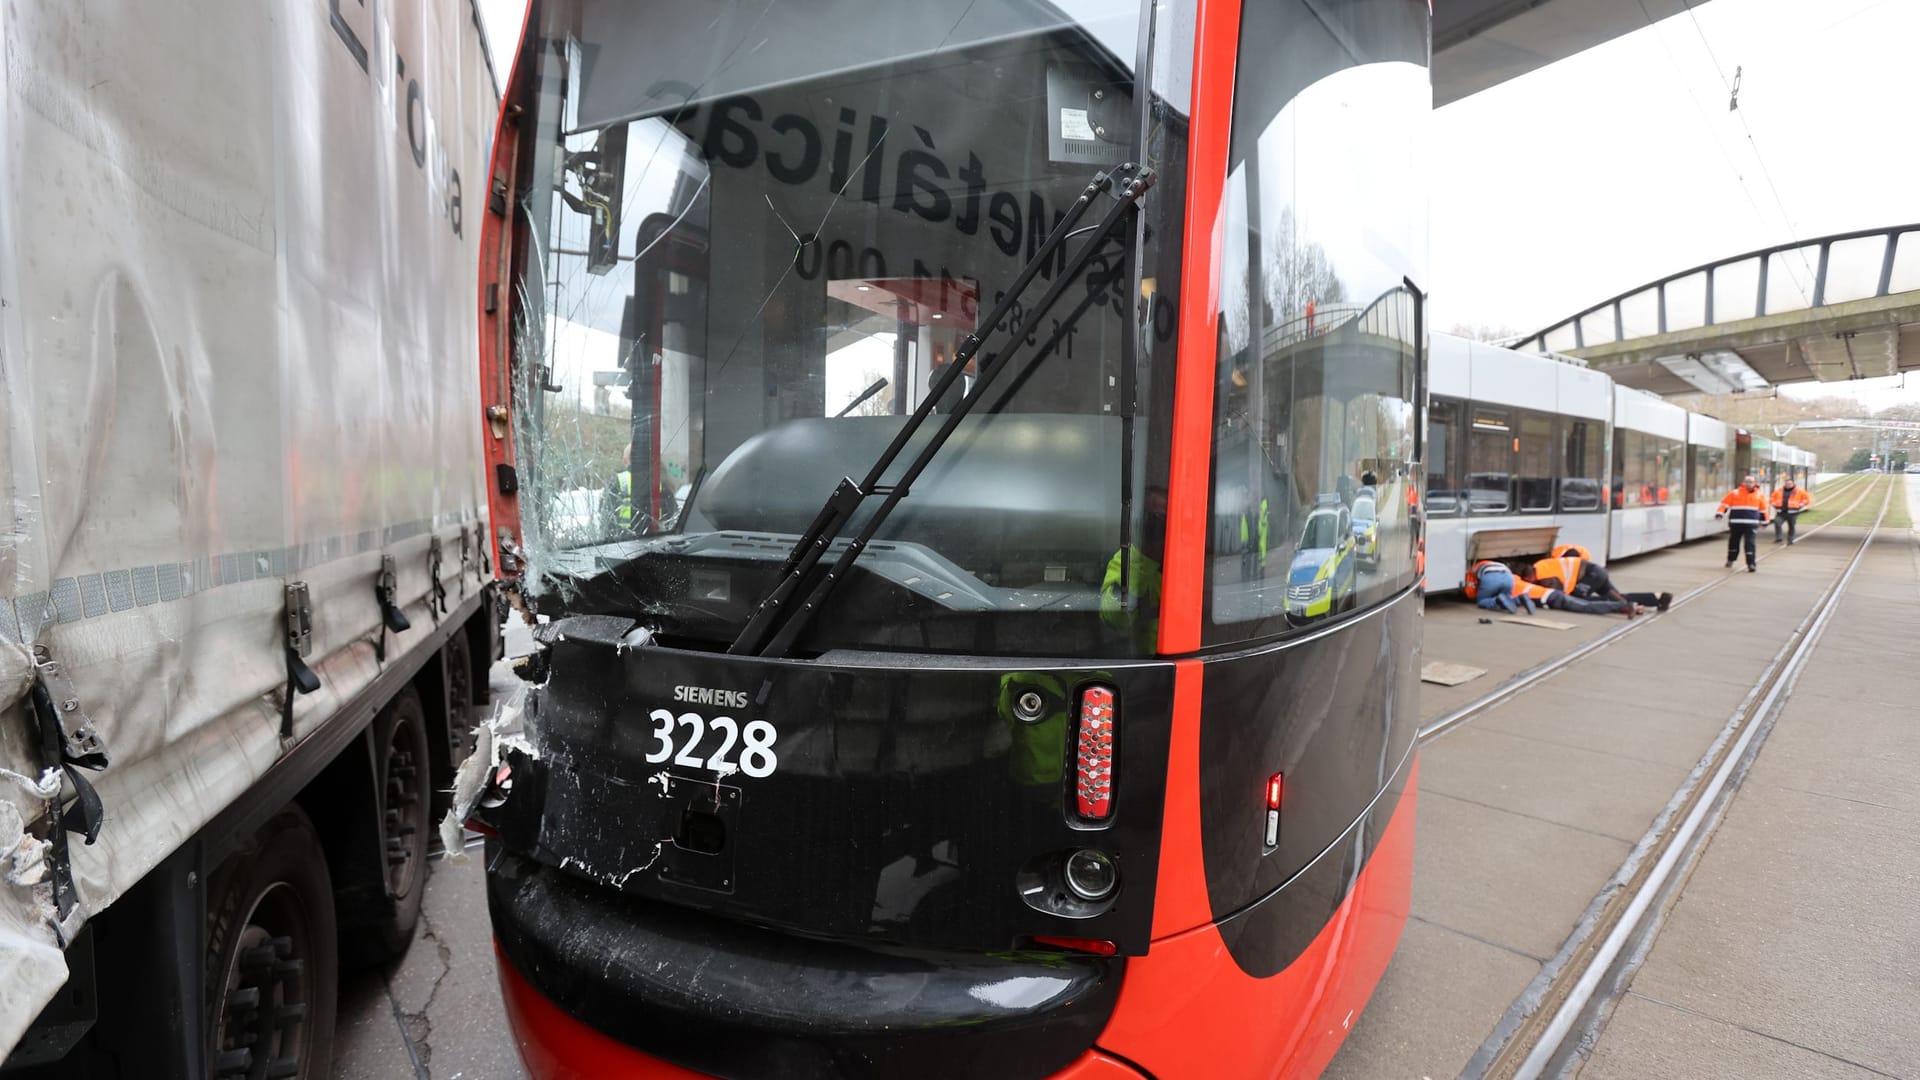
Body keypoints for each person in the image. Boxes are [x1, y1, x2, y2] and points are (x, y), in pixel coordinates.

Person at [1533, 543, 1672, 613]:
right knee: (1616, 596)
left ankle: (1625, 606)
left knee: (1580, 600)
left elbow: (1571, 571)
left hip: (1591, 574)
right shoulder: (1561, 555)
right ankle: (1657, 597)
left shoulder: (1552, 562)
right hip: (1597, 572)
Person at [601, 443, 680, 538]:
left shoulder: (617, 481)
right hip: (654, 541)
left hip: (622, 542)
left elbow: (605, 515)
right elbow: (672, 515)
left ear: (625, 460)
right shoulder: (659, 483)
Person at [1715, 474, 1770, 572]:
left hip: (1751, 524)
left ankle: (1751, 564)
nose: (1749, 484)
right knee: (1733, 542)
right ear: (1743, 483)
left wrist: (1765, 522)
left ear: (1755, 483)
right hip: (1736, 523)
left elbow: (1763, 510)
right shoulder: (1734, 493)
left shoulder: (1759, 495)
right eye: (1747, 481)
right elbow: (1724, 504)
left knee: (1750, 544)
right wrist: (1720, 514)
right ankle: (1731, 559)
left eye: (1751, 482)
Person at [1771, 477, 1811, 544]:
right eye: (1787, 483)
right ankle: (1779, 538)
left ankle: (1790, 539)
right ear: (1784, 484)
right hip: (1781, 512)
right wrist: (1774, 504)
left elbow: (1806, 499)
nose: (1788, 485)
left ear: (1793, 484)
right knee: (1777, 523)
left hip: (1793, 512)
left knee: (1791, 526)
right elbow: (1772, 498)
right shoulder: (1778, 491)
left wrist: (1800, 505)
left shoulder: (1799, 491)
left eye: (1790, 483)